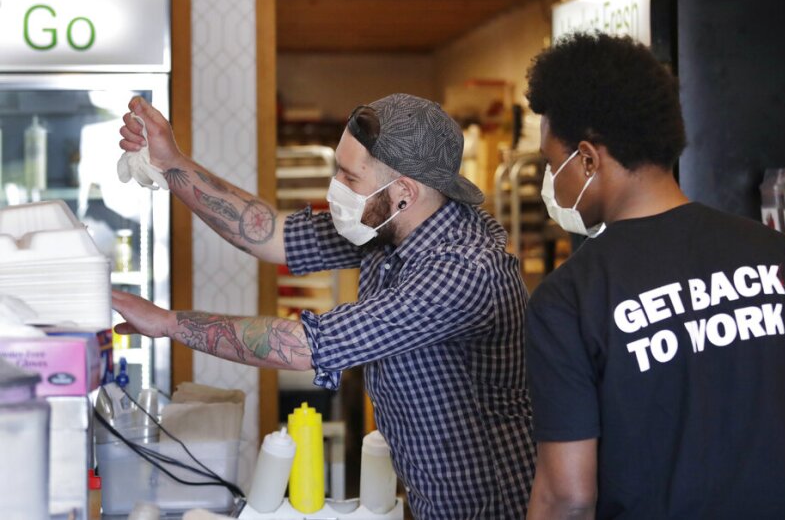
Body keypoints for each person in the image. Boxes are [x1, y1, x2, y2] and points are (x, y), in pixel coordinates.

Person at [111, 93, 534, 519]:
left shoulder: (465, 270)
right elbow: (270, 234)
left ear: (404, 192)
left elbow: (304, 347)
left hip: (495, 508)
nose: (336, 189)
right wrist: (172, 163)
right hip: (432, 500)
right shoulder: (387, 226)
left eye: (350, 178)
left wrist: (166, 323)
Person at [523, 32, 785, 519]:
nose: (552, 181)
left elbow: (568, 498)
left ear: (587, 159)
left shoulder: (569, 299)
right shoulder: (783, 259)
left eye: (551, 162)